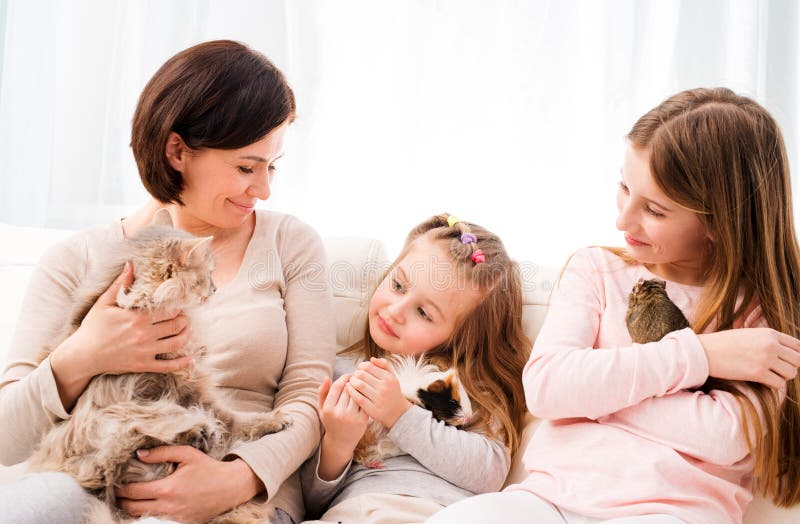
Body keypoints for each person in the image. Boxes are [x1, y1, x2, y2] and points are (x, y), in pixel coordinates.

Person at [427, 88, 800, 524]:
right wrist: (700, 355)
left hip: (671, 514)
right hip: (547, 502)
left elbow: (722, 437)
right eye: (624, 186)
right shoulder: (596, 270)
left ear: (720, 223)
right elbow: (547, 389)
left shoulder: (762, 315)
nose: (622, 220)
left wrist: (593, 386)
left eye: (655, 210)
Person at [0, 40, 335, 524]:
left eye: (271, 167)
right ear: (177, 151)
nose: (263, 190)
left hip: (241, 493)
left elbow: (308, 396)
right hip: (101, 481)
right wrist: (83, 356)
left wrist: (236, 478)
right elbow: (6, 439)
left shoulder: (290, 244)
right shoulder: (75, 259)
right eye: (246, 167)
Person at [300, 214, 530, 524]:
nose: (395, 311)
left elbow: (489, 473)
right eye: (397, 285)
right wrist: (338, 443)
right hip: (352, 512)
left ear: (462, 337)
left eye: (423, 312)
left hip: (437, 513)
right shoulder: (340, 374)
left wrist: (399, 415)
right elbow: (311, 500)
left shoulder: (469, 389)